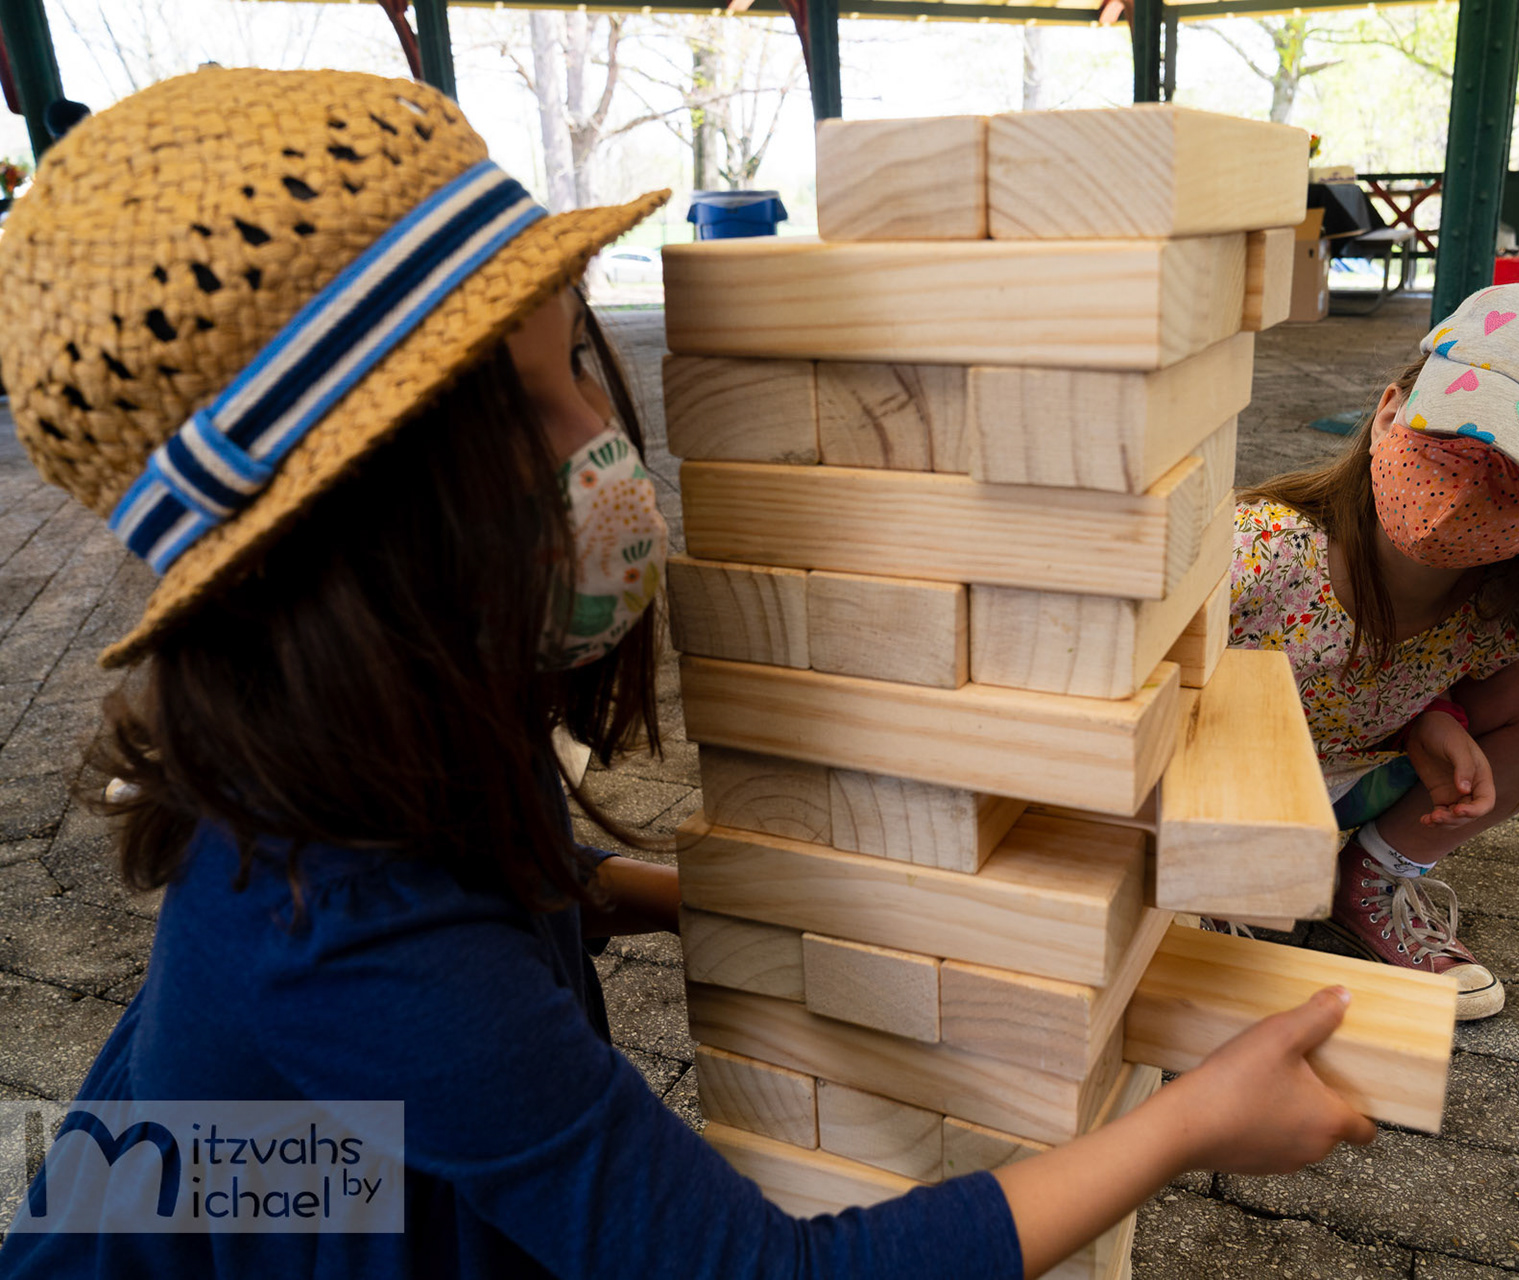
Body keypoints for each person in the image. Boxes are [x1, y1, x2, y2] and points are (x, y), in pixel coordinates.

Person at [0, 68, 1375, 1278]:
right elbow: (755, 1270)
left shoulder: (376, 735)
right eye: (522, 420)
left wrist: (719, 898)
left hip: (294, 1170)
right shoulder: (352, 937)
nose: (605, 450)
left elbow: (503, 899)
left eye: (579, 365)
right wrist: (1183, 1125)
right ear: (346, 553)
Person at [1229, 282, 1519, 1021]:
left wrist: (1434, 716)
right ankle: (1207, 881)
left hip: (1351, 780)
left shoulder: (1502, 603)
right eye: (1453, 440)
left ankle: (1371, 877)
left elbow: (1431, 672)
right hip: (1224, 784)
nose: (1466, 490)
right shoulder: (1261, 549)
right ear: (1389, 414)